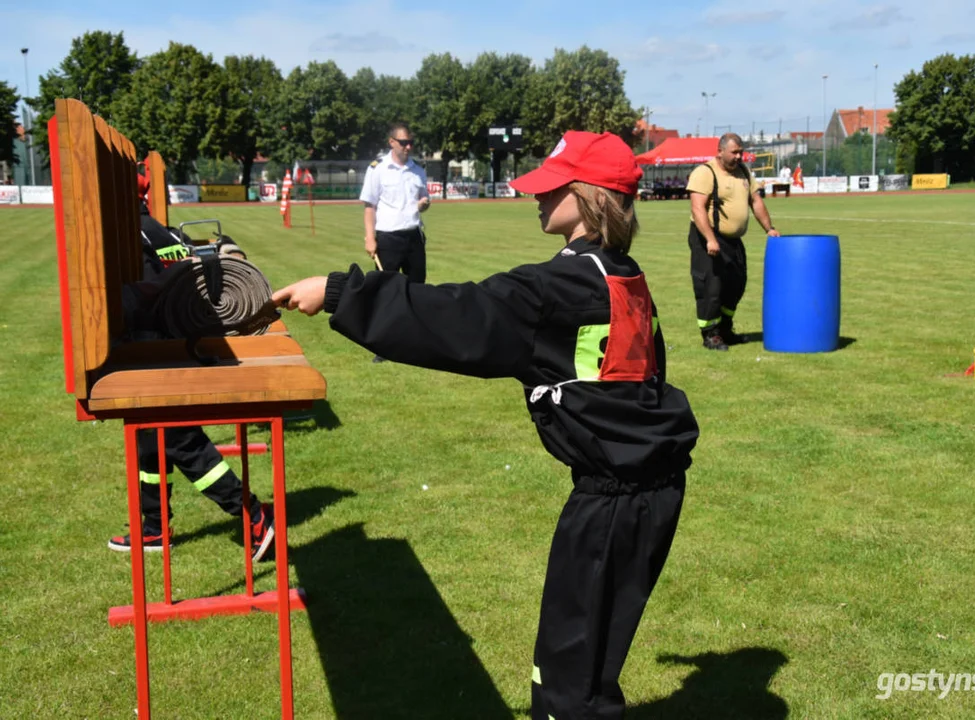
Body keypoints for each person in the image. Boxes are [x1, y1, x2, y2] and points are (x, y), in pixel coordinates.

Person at [273, 130, 700, 720]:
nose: (537, 198)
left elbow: (456, 316)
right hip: (646, 488)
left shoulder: (560, 287)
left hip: (613, 500)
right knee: (591, 664)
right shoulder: (622, 274)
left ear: (587, 195)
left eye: (551, 189)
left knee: (568, 682)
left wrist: (342, 292)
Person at [108, 172, 275, 562]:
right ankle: (154, 528)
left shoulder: (135, 236)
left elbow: (146, 299)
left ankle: (252, 513)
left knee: (181, 441)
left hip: (156, 355)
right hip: (170, 350)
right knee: (150, 444)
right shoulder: (161, 232)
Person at [685, 132, 781, 351]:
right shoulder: (705, 172)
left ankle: (726, 329)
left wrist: (770, 228)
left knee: (737, 284)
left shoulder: (744, 173)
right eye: (734, 152)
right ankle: (710, 334)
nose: (739, 156)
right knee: (712, 286)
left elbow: (756, 202)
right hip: (707, 237)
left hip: (733, 240)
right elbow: (697, 208)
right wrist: (710, 239)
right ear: (720, 151)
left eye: (741, 152)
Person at [360, 122, 431, 363]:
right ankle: (384, 346)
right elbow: (369, 207)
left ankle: (416, 341)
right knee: (386, 292)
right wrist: (370, 238)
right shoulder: (378, 169)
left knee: (416, 289)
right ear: (391, 142)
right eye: (403, 143)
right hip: (388, 238)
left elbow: (425, 198)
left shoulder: (418, 169)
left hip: (413, 237)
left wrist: (424, 203)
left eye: (410, 142)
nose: (408, 147)